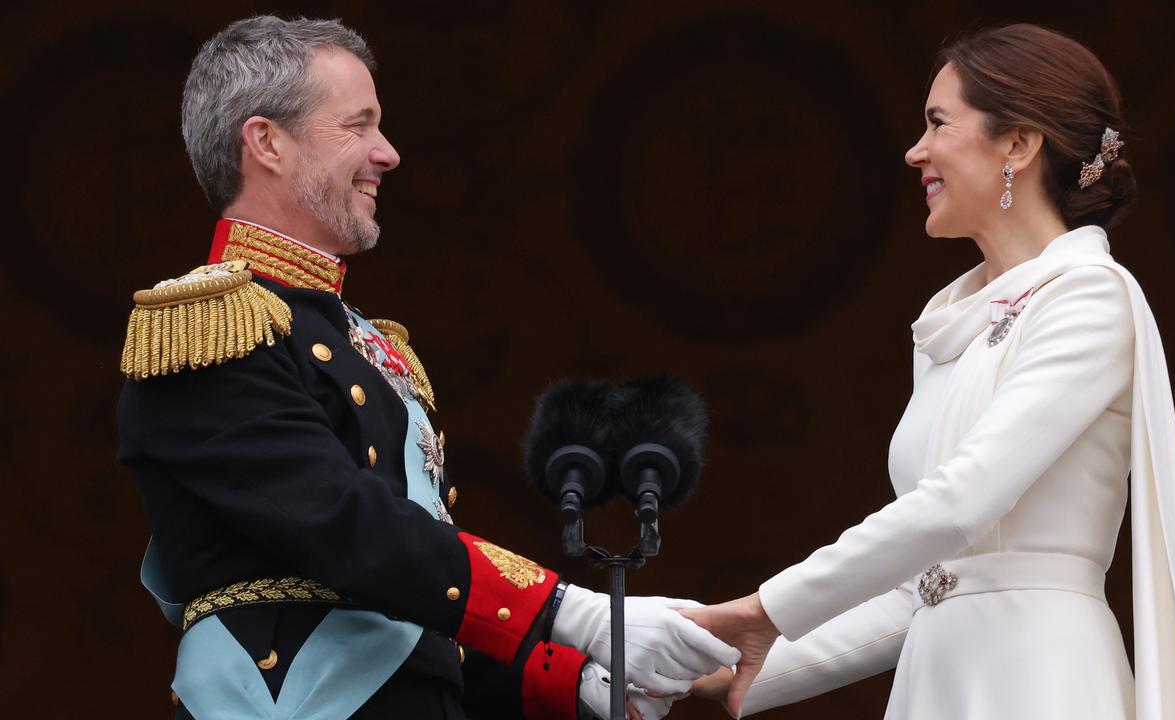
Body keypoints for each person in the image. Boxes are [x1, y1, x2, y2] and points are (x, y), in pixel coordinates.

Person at [116, 16, 737, 720]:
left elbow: (412, 618)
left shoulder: (361, 342)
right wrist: (576, 613)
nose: (389, 153)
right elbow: (345, 528)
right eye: (358, 125)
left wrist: (588, 678)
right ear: (267, 142)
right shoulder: (207, 330)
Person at [682, 24, 1175, 720]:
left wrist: (767, 607)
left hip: (1042, 681)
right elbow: (925, 588)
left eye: (937, 123)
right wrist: (749, 667)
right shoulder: (950, 324)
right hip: (938, 685)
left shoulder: (1089, 295)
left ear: (1018, 144)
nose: (915, 152)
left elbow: (960, 505)